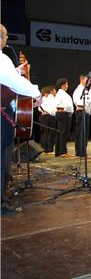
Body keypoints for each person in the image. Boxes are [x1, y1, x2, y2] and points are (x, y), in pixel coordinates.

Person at [0, 23, 41, 214]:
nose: (7, 39)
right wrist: (36, 92)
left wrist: (17, 71)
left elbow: (6, 78)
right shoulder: (1, 58)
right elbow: (14, 83)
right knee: (2, 156)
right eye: (6, 36)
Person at [54, 78, 74, 157]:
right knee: (63, 133)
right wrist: (70, 111)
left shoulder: (60, 93)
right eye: (66, 84)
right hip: (63, 113)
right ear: (62, 86)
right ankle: (62, 151)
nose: (67, 86)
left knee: (61, 132)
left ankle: (60, 151)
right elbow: (67, 105)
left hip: (60, 113)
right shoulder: (62, 94)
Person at [72, 74, 88, 158]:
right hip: (81, 110)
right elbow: (77, 101)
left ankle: (80, 151)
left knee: (81, 132)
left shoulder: (83, 89)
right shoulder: (79, 90)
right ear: (82, 80)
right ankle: (81, 151)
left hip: (83, 110)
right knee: (82, 132)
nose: (89, 82)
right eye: (87, 80)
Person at [39, 85, 57, 154]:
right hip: (49, 116)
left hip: (42, 116)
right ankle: (50, 149)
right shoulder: (51, 98)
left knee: (44, 133)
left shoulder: (43, 98)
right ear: (51, 91)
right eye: (55, 90)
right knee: (50, 133)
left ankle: (44, 148)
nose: (56, 91)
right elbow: (53, 108)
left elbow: (39, 108)